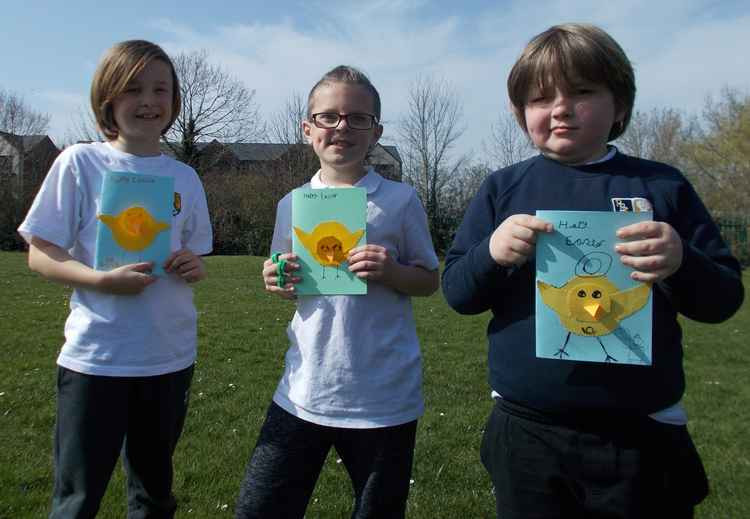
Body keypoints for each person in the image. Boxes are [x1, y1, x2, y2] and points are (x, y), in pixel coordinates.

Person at [442, 23, 744, 519]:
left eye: (582, 92)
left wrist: (680, 261)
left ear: (619, 105)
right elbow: (457, 292)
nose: (560, 108)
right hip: (526, 431)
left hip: (641, 435)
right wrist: (491, 253)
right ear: (521, 115)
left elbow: (724, 299)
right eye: (539, 98)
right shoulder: (503, 189)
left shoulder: (661, 186)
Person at [18, 40, 213, 518]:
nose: (148, 101)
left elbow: (194, 253)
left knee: (153, 496)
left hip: (168, 358)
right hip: (97, 360)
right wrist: (101, 282)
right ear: (107, 98)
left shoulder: (185, 176)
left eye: (160, 89)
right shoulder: (79, 163)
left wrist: (192, 265)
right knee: (77, 500)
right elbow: (40, 256)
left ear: (173, 102)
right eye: (133, 89)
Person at [235, 65, 439, 519]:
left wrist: (391, 272)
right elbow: (289, 283)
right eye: (328, 117)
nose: (342, 126)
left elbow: (429, 280)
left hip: (383, 396)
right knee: (259, 508)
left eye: (357, 118)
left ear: (376, 131)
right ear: (308, 129)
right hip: (304, 388)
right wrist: (276, 281)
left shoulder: (400, 200)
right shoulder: (292, 204)